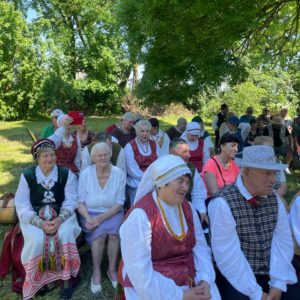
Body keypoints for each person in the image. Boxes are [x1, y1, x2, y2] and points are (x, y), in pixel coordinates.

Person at [120, 154, 221, 299]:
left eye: (187, 182)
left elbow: (200, 247)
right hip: (154, 287)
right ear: (162, 182)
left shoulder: (188, 208)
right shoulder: (140, 215)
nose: (185, 188)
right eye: (180, 181)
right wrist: (181, 295)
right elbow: (139, 271)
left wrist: (205, 279)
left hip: (192, 278)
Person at [208, 145, 298, 299]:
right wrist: (256, 293)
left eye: (274, 173)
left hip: (273, 271)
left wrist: (278, 284)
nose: (273, 180)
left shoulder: (275, 201)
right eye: (267, 173)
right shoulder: (222, 203)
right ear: (247, 172)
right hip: (236, 275)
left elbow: (283, 242)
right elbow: (228, 256)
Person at [14, 139, 81, 300]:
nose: (49, 158)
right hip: (35, 218)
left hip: (62, 215)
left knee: (65, 234)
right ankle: (38, 281)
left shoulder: (66, 174)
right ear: (37, 158)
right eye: (45, 155)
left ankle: (66, 282)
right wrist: (40, 223)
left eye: (52, 154)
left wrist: (59, 220)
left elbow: (71, 200)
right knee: (37, 239)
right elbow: (22, 205)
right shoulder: (28, 176)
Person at [77, 142, 126, 294]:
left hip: (112, 212)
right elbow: (79, 202)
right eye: (99, 155)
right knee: (99, 237)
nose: (103, 157)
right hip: (90, 213)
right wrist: (88, 217)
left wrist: (100, 219)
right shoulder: (86, 174)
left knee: (113, 236)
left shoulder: (119, 173)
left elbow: (119, 203)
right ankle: (96, 271)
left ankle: (111, 270)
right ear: (93, 158)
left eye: (105, 154)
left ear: (110, 155)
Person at [169, 138, 208, 222]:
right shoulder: (162, 169)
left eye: (189, 151)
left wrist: (200, 211)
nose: (189, 155)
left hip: (186, 212)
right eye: (184, 152)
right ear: (172, 153)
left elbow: (198, 193)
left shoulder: (191, 168)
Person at [124, 119, 161, 205]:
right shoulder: (130, 147)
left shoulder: (154, 145)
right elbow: (132, 170)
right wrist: (147, 179)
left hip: (154, 179)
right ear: (136, 132)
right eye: (142, 131)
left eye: (147, 131)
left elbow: (160, 162)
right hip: (137, 182)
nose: (145, 134)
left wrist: (154, 178)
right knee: (141, 204)